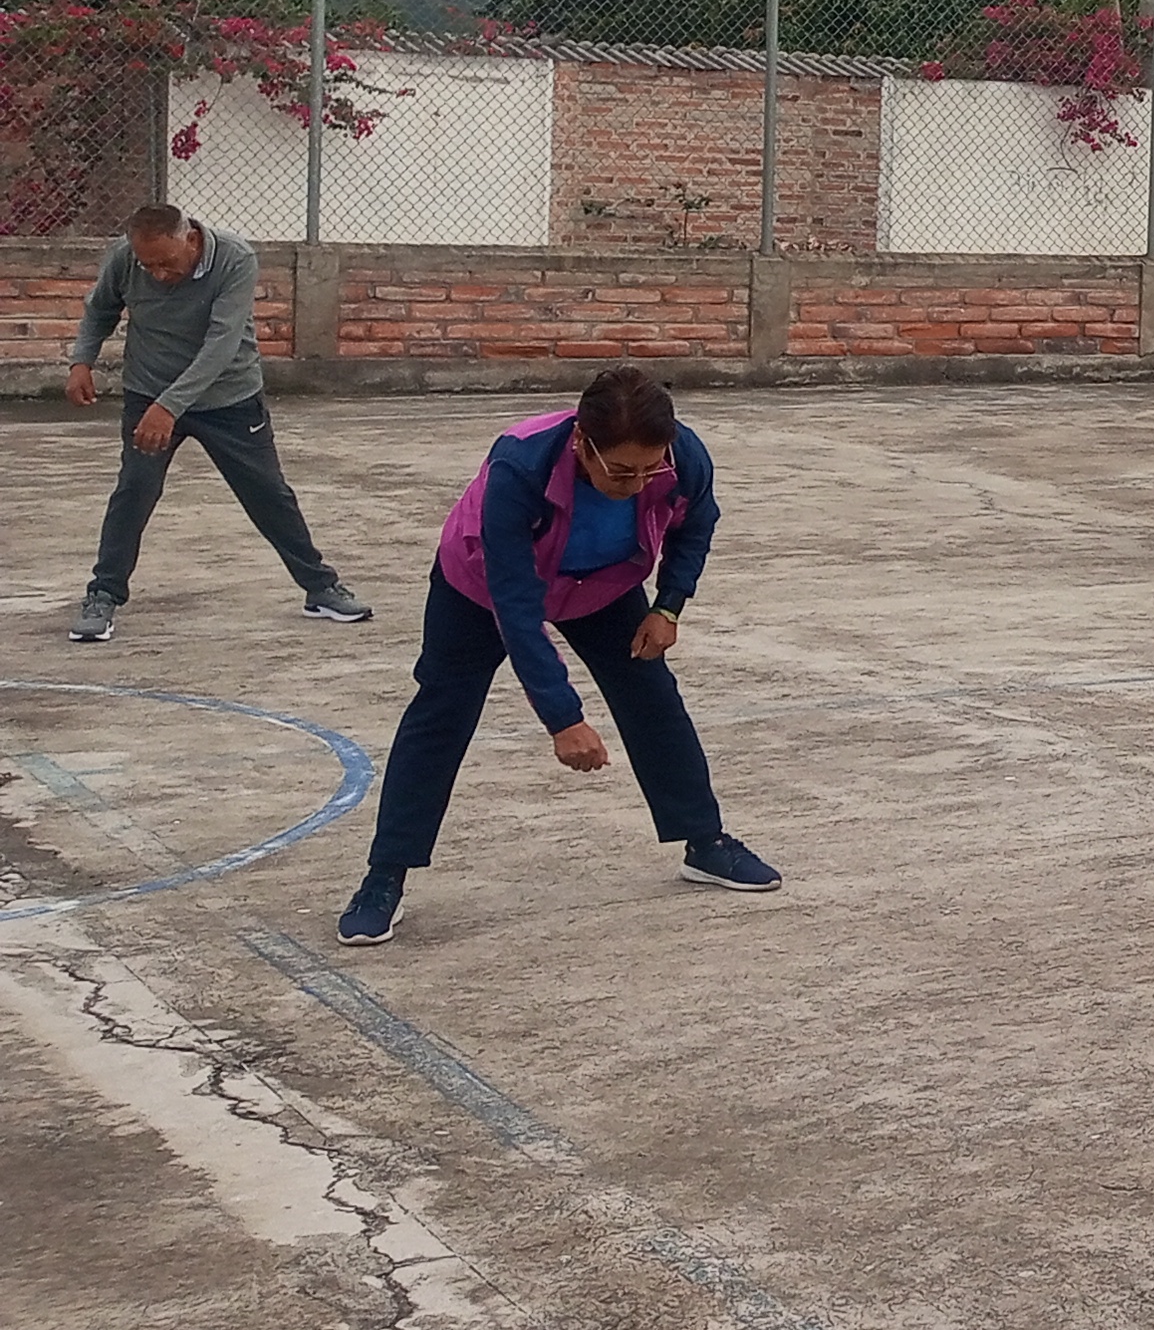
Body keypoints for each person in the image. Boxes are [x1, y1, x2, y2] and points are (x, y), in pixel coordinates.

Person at [336, 366, 772, 945]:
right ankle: (385, 874)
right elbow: (517, 607)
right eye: (620, 471)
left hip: (603, 585)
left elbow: (697, 524)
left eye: (650, 469)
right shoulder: (520, 466)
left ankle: (705, 842)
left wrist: (668, 606)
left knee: (651, 697)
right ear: (581, 444)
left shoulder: (682, 455)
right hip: (481, 588)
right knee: (442, 711)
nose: (637, 484)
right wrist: (563, 717)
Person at [62, 201, 368, 644]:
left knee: (268, 494)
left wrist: (169, 407)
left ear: (191, 239)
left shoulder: (234, 259)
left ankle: (321, 588)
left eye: (166, 263)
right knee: (134, 491)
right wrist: (81, 361)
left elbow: (221, 344)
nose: (157, 275)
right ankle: (103, 594)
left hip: (228, 398)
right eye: (148, 265)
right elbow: (100, 309)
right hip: (149, 392)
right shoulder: (125, 257)